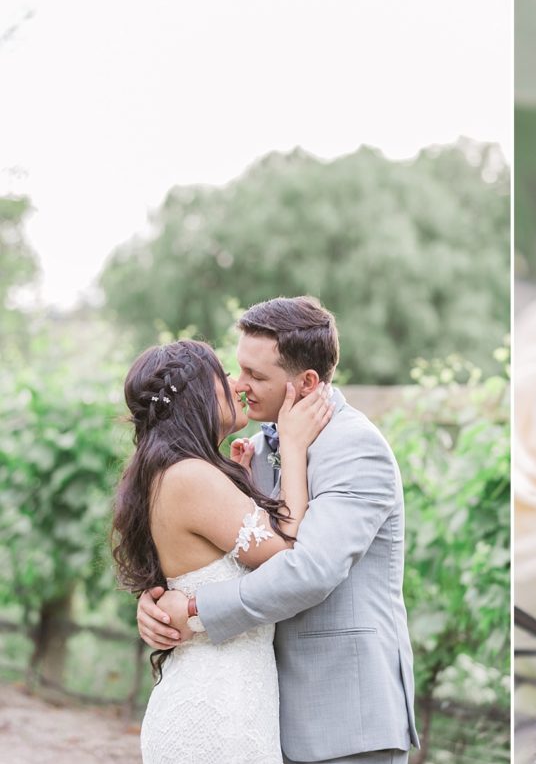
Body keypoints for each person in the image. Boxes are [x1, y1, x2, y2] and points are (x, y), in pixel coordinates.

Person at [136, 296, 419, 764]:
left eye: (256, 376)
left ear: (306, 382)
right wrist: (157, 609)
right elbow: (221, 552)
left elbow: (309, 570)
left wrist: (192, 609)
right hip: (260, 711)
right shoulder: (257, 449)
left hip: (345, 720)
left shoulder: (355, 449)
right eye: (238, 368)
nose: (238, 386)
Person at [113, 338, 335, 763]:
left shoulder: (173, 471)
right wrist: (292, 445)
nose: (236, 384)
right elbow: (286, 551)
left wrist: (245, 481)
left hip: (229, 700)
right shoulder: (189, 476)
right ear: (198, 394)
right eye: (224, 374)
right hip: (215, 710)